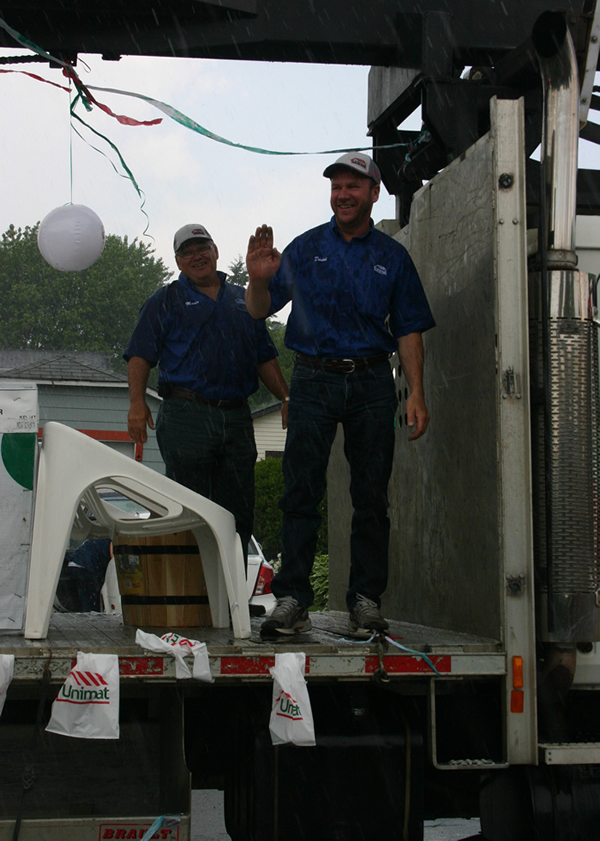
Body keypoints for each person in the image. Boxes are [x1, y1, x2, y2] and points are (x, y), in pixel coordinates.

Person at [245, 152, 435, 639]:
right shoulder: (305, 248)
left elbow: (410, 330)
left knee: (371, 495)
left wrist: (415, 392)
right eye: (337, 187)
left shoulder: (392, 257)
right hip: (312, 378)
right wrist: (258, 279)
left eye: (354, 186)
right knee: (300, 489)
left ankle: (366, 602)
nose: (343, 194)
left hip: (373, 382)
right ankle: (292, 599)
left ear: (374, 193)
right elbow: (258, 310)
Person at [124, 223, 289, 564]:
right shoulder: (164, 300)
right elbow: (140, 355)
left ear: (215, 251)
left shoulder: (244, 299)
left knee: (238, 512)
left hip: (236, 417)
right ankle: (192, 603)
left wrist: (287, 397)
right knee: (189, 508)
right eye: (187, 251)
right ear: (178, 261)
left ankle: (231, 604)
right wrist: (137, 403)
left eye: (202, 248)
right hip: (186, 415)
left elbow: (265, 356)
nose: (196, 255)